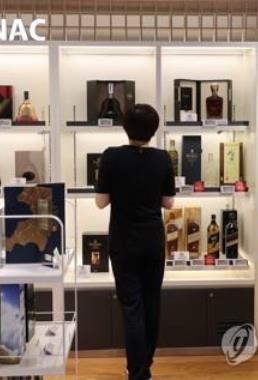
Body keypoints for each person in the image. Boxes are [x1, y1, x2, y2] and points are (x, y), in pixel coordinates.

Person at [95, 104, 175, 380]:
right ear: (154, 130)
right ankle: (146, 364)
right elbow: (168, 202)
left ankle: (137, 370)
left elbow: (100, 203)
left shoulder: (111, 157)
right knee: (152, 303)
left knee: (132, 306)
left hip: (123, 241)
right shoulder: (163, 159)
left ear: (124, 127)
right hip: (153, 240)